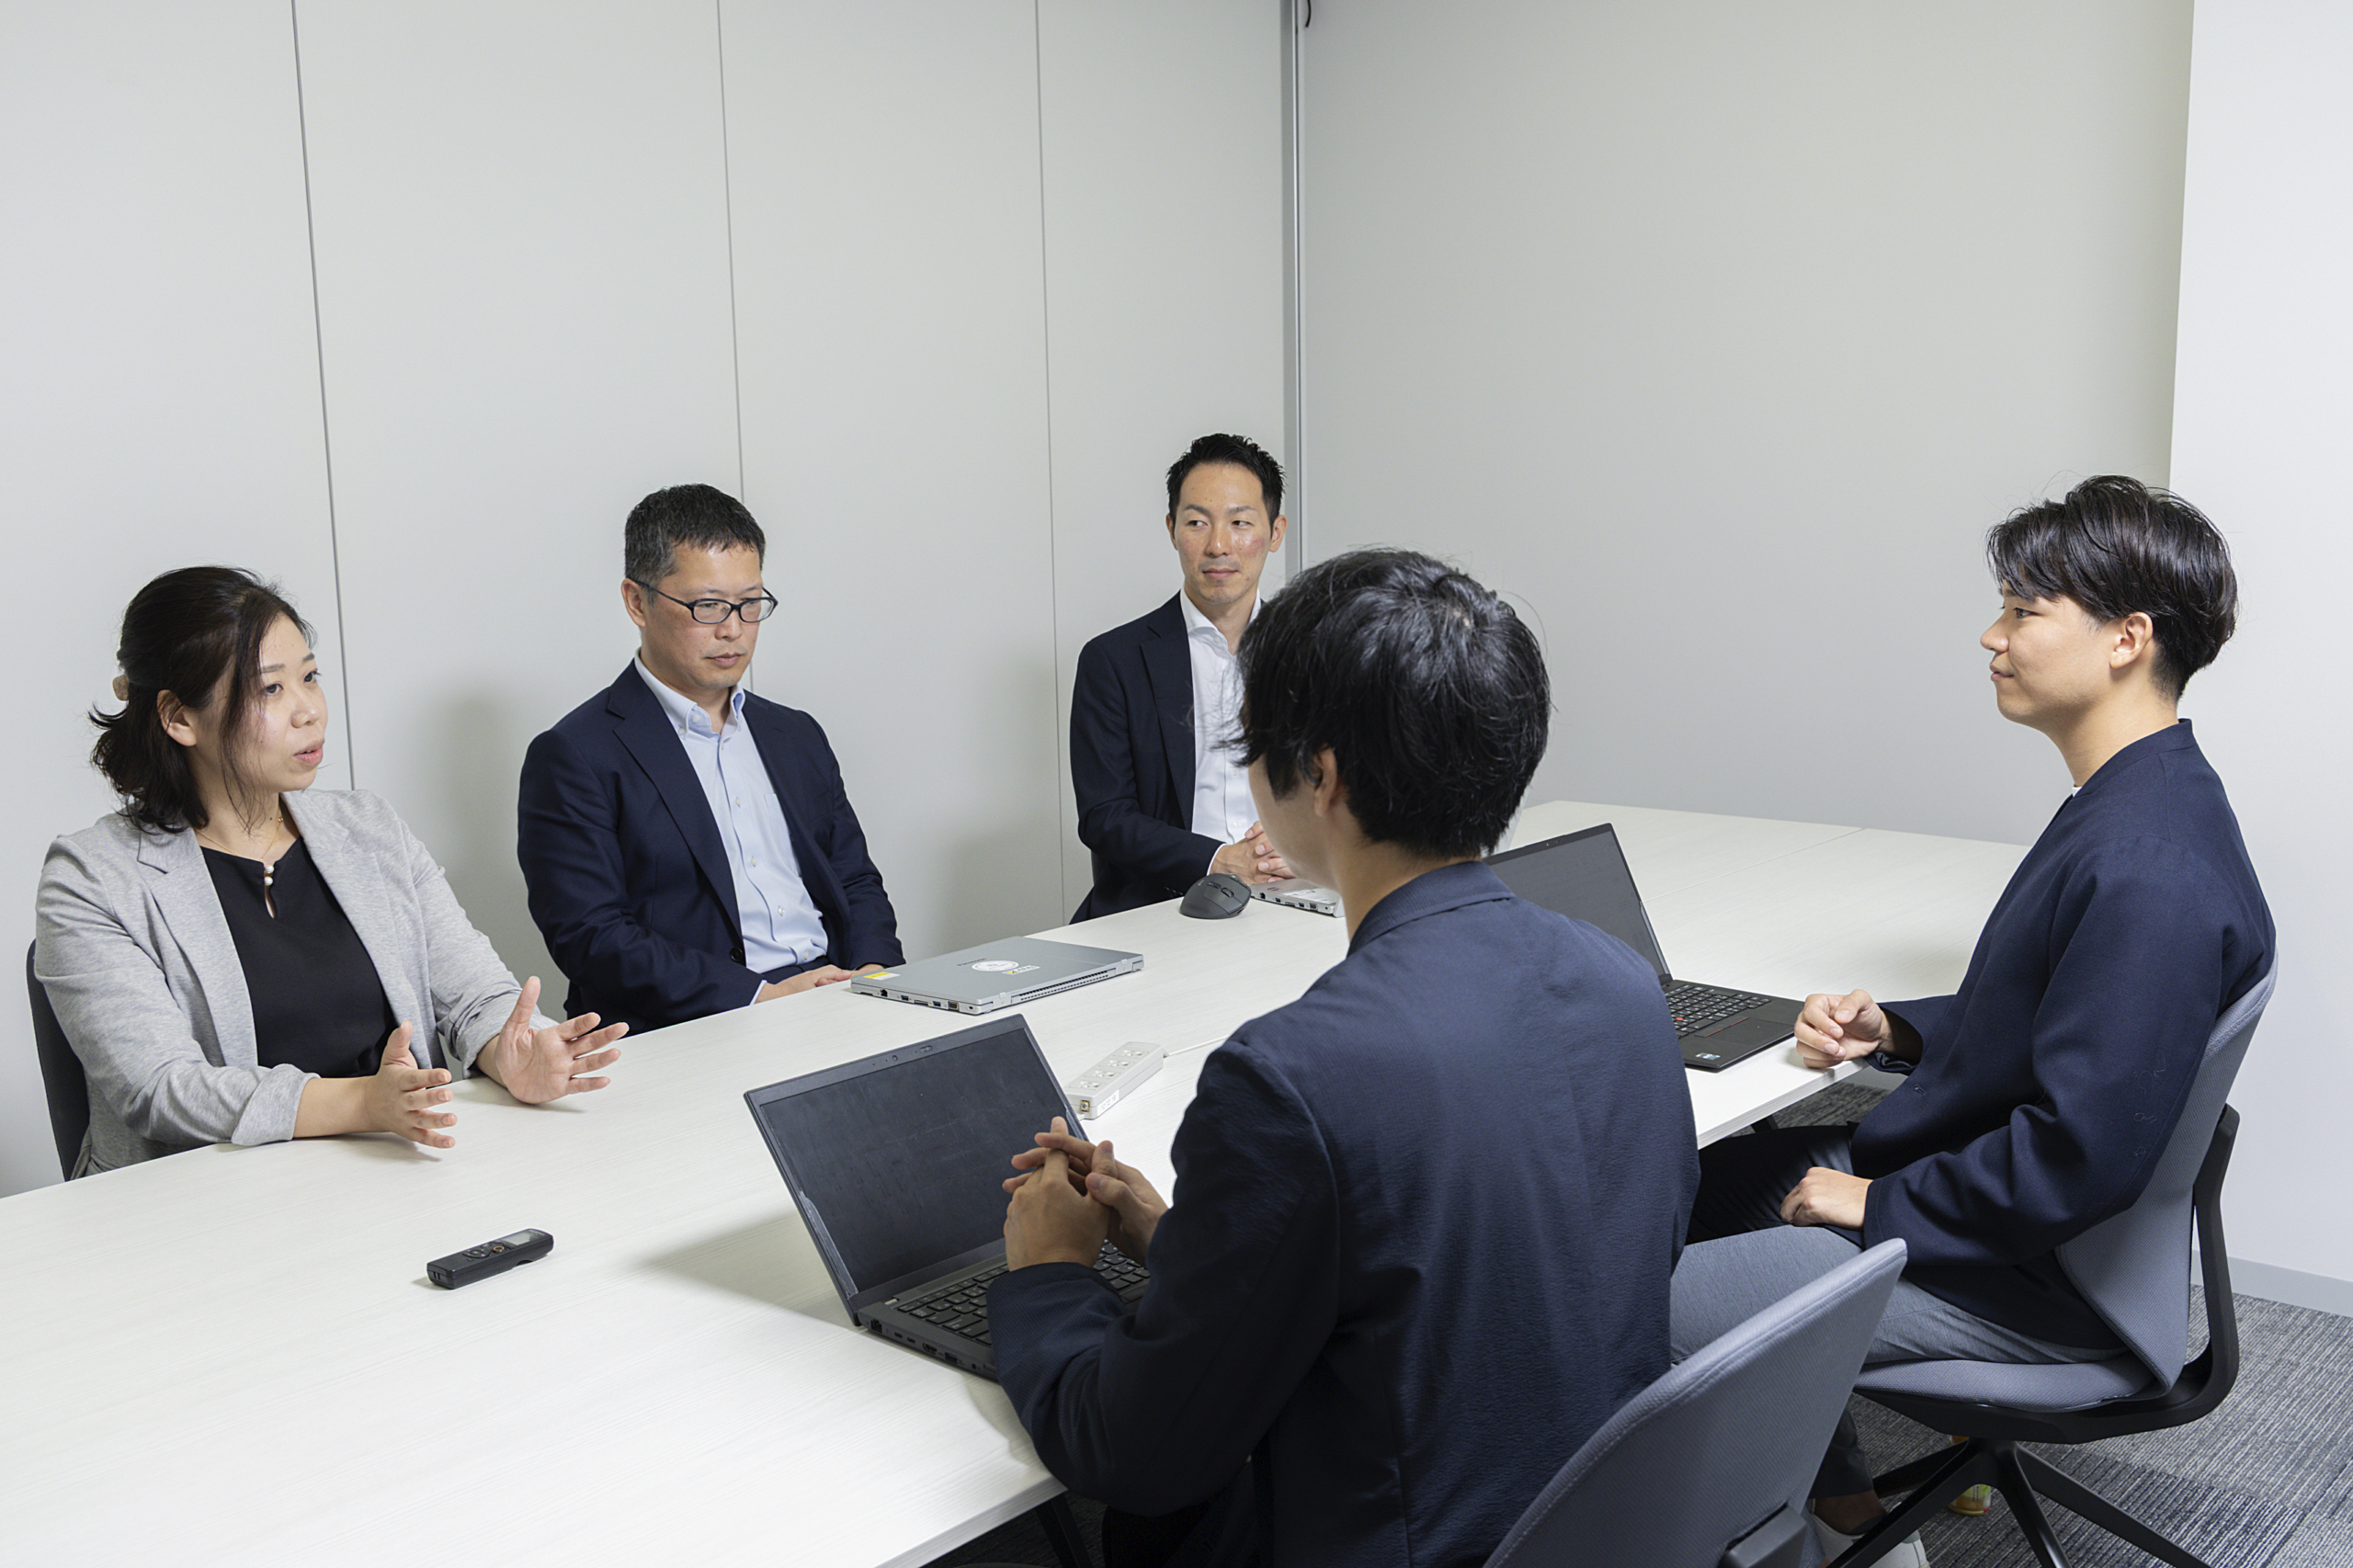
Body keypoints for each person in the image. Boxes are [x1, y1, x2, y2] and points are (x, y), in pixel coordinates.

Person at [991, 550, 1702, 1568]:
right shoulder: (1624, 983)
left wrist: (1052, 1273)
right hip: (1595, 1518)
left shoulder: (1289, 1080)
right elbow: (1460, 1260)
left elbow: (1134, 1453)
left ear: (1318, 775)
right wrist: (1190, 1241)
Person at [1668, 476, 2273, 1566]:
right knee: (1680, 1183)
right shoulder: (2142, 798)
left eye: (2023, 610)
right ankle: (1847, 1512)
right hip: (2019, 1224)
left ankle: (1787, 1527)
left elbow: (2078, 1152)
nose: (1990, 636)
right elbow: (2069, 1021)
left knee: (1620, 1298)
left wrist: (1875, 1200)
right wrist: (1897, 1032)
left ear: (2127, 638)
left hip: (2034, 1283)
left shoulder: (2145, 865)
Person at [35, 567, 624, 1176]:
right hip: (210, 1203)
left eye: (310, 677)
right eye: (270, 690)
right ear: (179, 716)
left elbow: (474, 992)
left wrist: (511, 1052)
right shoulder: (92, 878)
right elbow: (161, 1088)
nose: (309, 711)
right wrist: (364, 1103)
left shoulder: (368, 828)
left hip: (396, 1170)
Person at [517, 483, 903, 1036]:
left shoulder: (794, 733)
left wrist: (872, 976)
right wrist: (761, 998)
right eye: (708, 606)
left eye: (751, 604)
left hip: (838, 997)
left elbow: (855, 881)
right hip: (702, 1023)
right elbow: (592, 936)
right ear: (637, 601)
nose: (733, 630)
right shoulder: (575, 754)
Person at [1069, 433, 1298, 919]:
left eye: (1240, 522)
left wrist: (1302, 843)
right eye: (1197, 523)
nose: (1218, 546)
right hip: (1162, 907)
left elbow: (1347, 789)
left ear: (1275, 532)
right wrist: (1218, 860)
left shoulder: (1313, 652)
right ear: (1173, 529)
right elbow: (1105, 817)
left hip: (1293, 898)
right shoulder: (1113, 660)